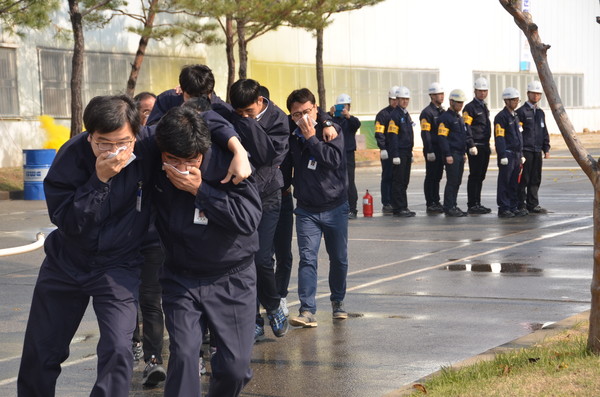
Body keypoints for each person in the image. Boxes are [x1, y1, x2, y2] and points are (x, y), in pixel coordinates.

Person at [17, 95, 153, 397]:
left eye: (123, 142)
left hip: (119, 265)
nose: (115, 151)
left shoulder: (147, 145)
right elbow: (68, 221)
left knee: (118, 349)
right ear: (89, 135)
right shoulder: (71, 156)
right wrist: (99, 180)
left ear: (137, 131)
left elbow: (205, 121)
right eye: (103, 143)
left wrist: (235, 146)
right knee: (42, 351)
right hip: (67, 261)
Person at [152, 106, 262, 397]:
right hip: (181, 277)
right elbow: (119, 133)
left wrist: (201, 190)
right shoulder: (154, 152)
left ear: (203, 150)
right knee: (185, 356)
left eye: (189, 161)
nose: (180, 169)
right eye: (171, 160)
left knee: (235, 368)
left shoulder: (229, 161)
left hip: (232, 277)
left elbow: (249, 219)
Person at [227, 78, 290, 341]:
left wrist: (249, 125)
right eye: (238, 112)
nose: (242, 116)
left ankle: (273, 306)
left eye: (248, 111)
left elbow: (270, 158)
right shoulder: (233, 114)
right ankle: (253, 319)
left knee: (263, 258)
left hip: (267, 196)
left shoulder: (278, 119)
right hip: (240, 196)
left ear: (260, 101)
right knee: (244, 261)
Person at [286, 88, 349, 328]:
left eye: (307, 111)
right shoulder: (292, 133)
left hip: (335, 207)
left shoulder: (330, 131)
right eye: (296, 114)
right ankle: (307, 309)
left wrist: (313, 135)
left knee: (339, 258)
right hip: (306, 210)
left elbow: (333, 160)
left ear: (315, 108)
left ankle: (338, 302)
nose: (302, 118)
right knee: (307, 259)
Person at [131, 91, 167, 387]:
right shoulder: (124, 148)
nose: (149, 117)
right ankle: (131, 344)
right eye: (143, 111)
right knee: (126, 299)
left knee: (151, 300)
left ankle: (154, 360)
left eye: (153, 112)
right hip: (123, 241)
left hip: (153, 238)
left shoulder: (161, 151)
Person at [436, 89, 477, 217]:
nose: (460, 105)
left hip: (459, 153)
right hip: (452, 154)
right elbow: (442, 138)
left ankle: (453, 204)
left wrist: (464, 152)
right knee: (452, 181)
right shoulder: (445, 118)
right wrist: (447, 154)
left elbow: (462, 136)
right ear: (451, 102)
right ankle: (449, 207)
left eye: (461, 103)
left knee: (457, 181)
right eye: (458, 103)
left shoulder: (458, 118)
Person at [516, 80, 551, 214]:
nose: (535, 96)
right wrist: (520, 151)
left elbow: (544, 130)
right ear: (528, 94)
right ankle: (521, 204)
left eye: (538, 94)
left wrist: (546, 148)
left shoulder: (540, 113)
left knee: (536, 178)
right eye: (533, 93)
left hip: (537, 150)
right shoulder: (521, 112)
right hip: (526, 150)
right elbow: (518, 133)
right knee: (524, 178)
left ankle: (533, 204)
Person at [494, 87, 527, 218]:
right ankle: (504, 207)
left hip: (516, 154)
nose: (516, 102)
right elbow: (499, 137)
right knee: (505, 182)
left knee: (514, 182)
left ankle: (513, 206)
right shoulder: (501, 117)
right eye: (513, 100)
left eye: (517, 100)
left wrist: (521, 153)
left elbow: (519, 135)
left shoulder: (516, 116)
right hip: (507, 154)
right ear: (506, 101)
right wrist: (502, 154)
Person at [463, 77, 493, 214]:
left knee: (481, 175)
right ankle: (472, 204)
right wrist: (470, 144)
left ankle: (478, 203)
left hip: (484, 145)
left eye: (485, 91)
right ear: (475, 91)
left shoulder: (484, 106)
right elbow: (466, 126)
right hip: (475, 146)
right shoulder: (470, 108)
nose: (482, 93)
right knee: (474, 175)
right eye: (480, 91)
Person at [330, 93, 361, 219]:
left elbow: (357, 124)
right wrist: (330, 114)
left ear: (349, 107)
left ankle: (352, 209)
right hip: (336, 153)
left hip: (348, 154)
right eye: (340, 106)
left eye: (345, 106)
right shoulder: (332, 120)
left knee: (349, 182)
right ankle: (337, 208)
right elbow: (324, 123)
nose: (342, 109)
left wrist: (348, 116)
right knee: (336, 182)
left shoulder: (351, 121)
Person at [386, 86, 416, 217]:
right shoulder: (395, 115)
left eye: (406, 99)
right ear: (397, 100)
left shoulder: (405, 114)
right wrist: (395, 154)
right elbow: (393, 137)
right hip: (399, 152)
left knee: (404, 180)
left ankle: (404, 206)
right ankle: (398, 207)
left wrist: (411, 151)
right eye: (402, 99)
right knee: (398, 181)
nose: (405, 101)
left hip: (407, 152)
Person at [420, 82, 446, 214]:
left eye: (442, 94)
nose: (441, 97)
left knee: (438, 176)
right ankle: (430, 202)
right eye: (438, 94)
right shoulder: (427, 113)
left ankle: (436, 200)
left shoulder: (442, 111)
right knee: (431, 176)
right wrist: (429, 150)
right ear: (431, 96)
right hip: (433, 148)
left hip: (441, 149)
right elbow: (426, 133)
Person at [374, 86, 399, 214]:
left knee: (398, 178)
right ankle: (387, 202)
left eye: (397, 99)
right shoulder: (383, 114)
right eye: (392, 99)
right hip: (388, 150)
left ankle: (396, 201)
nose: (395, 102)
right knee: (388, 176)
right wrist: (382, 148)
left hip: (399, 151)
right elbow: (379, 133)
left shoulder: (402, 114)